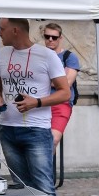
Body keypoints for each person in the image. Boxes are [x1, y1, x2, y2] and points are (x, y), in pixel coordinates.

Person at [0, 18, 71, 196]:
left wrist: (36, 102)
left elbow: (64, 92)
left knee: (44, 189)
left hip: (36, 132)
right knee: (23, 189)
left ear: (15, 30)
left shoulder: (46, 56)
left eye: (2, 29)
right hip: (8, 131)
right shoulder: (3, 54)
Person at [42, 23, 80, 151]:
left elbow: (66, 83)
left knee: (53, 139)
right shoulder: (40, 56)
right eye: (47, 37)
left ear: (60, 38)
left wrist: (45, 78)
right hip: (40, 103)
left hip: (61, 103)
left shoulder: (69, 57)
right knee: (35, 141)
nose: (50, 40)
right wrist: (57, 78)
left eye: (54, 37)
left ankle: (44, 171)